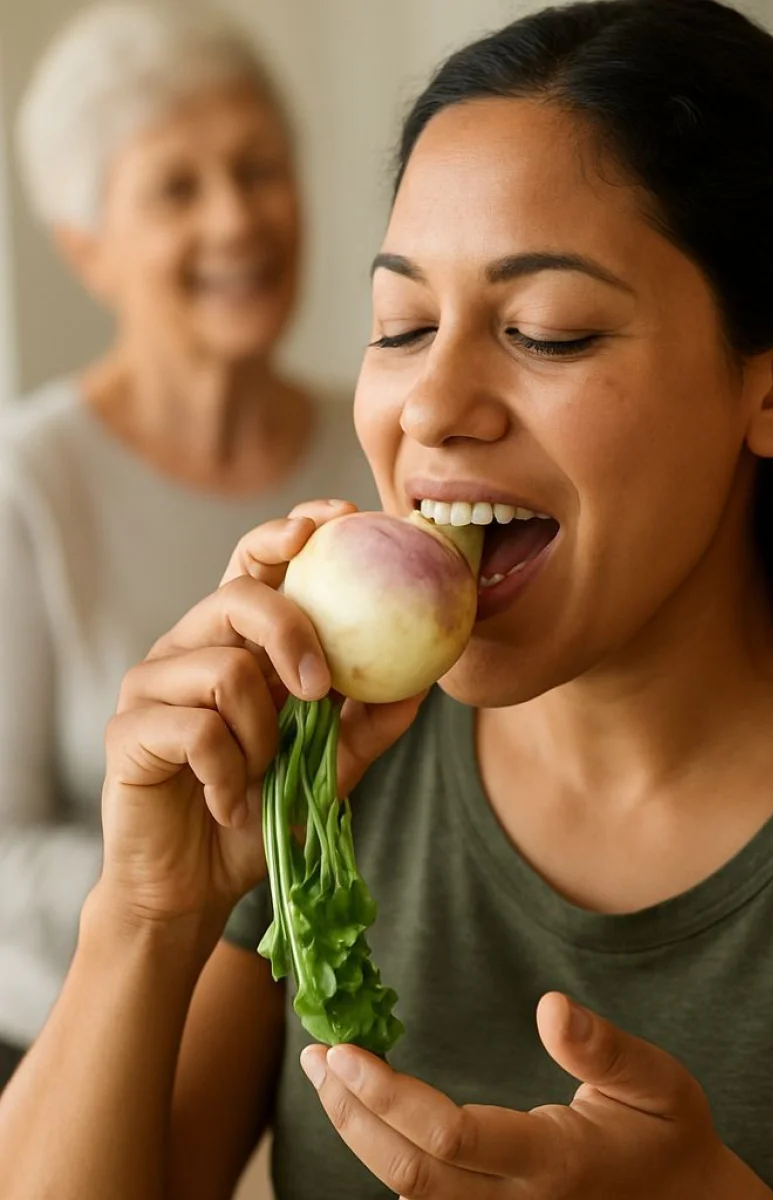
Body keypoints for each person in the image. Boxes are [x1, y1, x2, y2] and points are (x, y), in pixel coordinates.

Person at [3, 2, 773, 1196]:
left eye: (548, 331)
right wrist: (145, 914)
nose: (430, 406)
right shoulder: (320, 770)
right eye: (402, 324)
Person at [0, 3, 374, 1084]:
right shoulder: (27, 484)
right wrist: (228, 873)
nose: (237, 220)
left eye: (260, 167)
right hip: (77, 1045)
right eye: (177, 187)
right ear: (87, 249)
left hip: (338, 1041)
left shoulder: (384, 450)